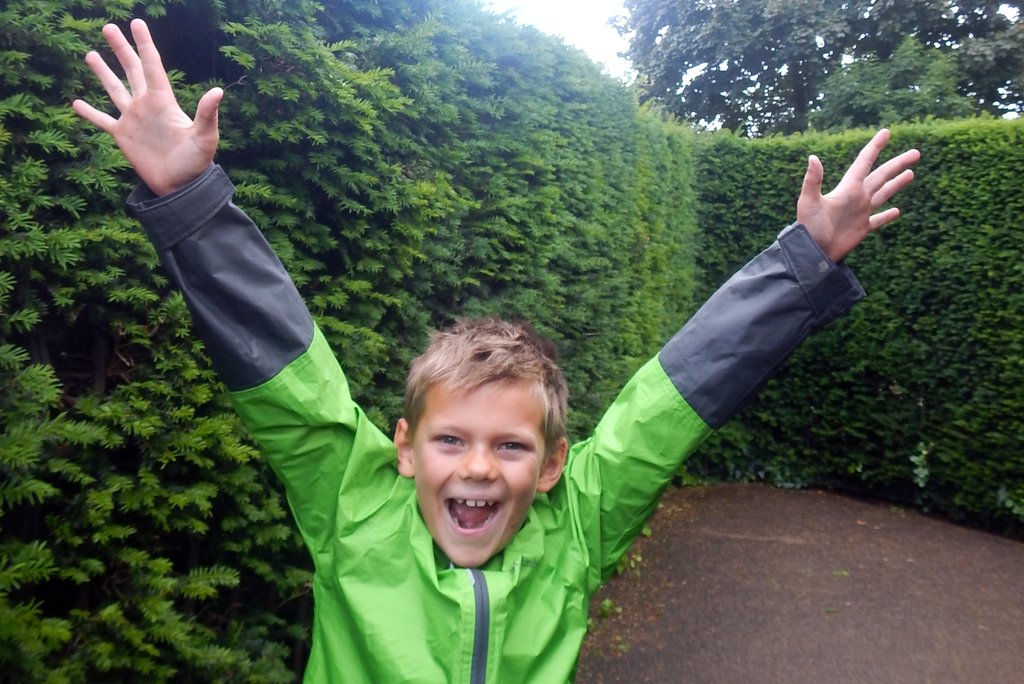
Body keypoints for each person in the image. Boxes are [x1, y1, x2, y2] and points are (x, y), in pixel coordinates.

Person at [73, 19, 920, 683]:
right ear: (404, 449)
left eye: (511, 447)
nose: (478, 468)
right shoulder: (352, 507)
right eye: (451, 439)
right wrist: (189, 200)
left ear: (552, 466)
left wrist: (802, 265)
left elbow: (668, 403)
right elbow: (290, 377)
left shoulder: (577, 528)